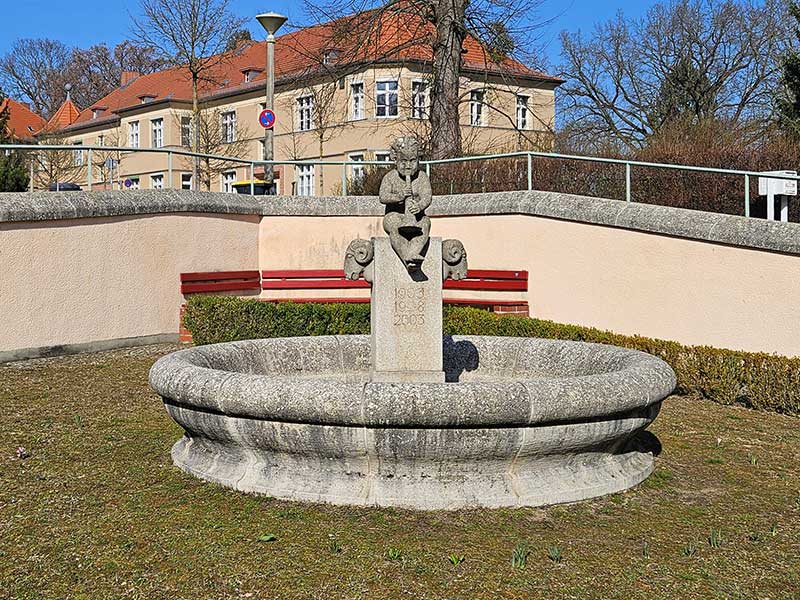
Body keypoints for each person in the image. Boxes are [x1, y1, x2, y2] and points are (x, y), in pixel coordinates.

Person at [378, 136, 432, 271]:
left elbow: (427, 196)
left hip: (416, 217)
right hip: (394, 215)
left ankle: (415, 252)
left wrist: (419, 206)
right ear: (396, 160)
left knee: (425, 223)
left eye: (413, 161)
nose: (408, 165)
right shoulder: (390, 177)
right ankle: (406, 257)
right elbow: (383, 197)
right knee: (394, 225)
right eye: (403, 161)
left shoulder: (422, 177)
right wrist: (399, 196)